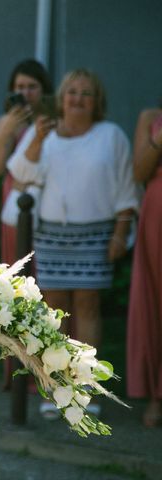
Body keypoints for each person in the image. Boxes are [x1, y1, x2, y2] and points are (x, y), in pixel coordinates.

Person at [8, 68, 139, 417]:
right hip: (52, 236)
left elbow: (127, 188)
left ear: (97, 102)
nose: (78, 99)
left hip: (95, 235)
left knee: (89, 307)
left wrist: (120, 232)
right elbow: (20, 173)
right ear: (61, 99)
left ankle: (87, 392)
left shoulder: (110, 135)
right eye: (72, 92)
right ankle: (56, 393)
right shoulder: (45, 134)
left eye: (86, 93)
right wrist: (35, 140)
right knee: (55, 313)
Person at [0, 59, 53, 265]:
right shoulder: (6, 123)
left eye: (32, 87)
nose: (26, 93)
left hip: (46, 195)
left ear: (44, 90)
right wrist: (7, 130)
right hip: (16, 196)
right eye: (20, 87)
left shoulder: (52, 120)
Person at [127, 105, 162, 427]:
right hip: (157, 213)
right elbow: (138, 172)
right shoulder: (150, 116)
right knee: (156, 300)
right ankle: (157, 395)